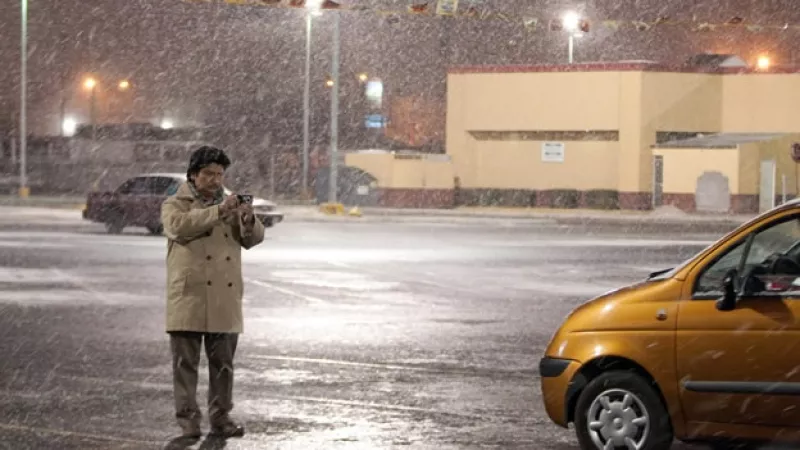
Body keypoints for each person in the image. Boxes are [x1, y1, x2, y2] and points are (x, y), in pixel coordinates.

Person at [161, 146, 265, 440]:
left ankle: (221, 419)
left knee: (223, 366)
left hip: (224, 297)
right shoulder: (174, 204)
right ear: (193, 175)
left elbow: (254, 240)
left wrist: (247, 219)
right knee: (185, 366)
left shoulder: (229, 205)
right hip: (189, 296)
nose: (215, 180)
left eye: (220, 174)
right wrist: (218, 211)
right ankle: (188, 422)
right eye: (208, 173)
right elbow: (179, 228)